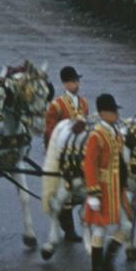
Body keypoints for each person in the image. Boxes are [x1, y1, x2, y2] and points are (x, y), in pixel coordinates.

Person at [83, 93, 129, 271]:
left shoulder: (116, 133)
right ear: (103, 113)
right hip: (102, 188)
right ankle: (97, 270)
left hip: (117, 187)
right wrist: (93, 193)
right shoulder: (96, 135)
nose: (116, 115)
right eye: (112, 112)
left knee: (126, 225)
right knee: (100, 230)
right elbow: (89, 164)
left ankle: (108, 264)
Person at [44, 66, 89, 242]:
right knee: (65, 190)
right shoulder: (57, 105)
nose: (76, 84)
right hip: (63, 152)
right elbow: (50, 131)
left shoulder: (84, 103)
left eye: (77, 81)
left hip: (80, 152)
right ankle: (68, 229)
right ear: (65, 84)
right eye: (72, 82)